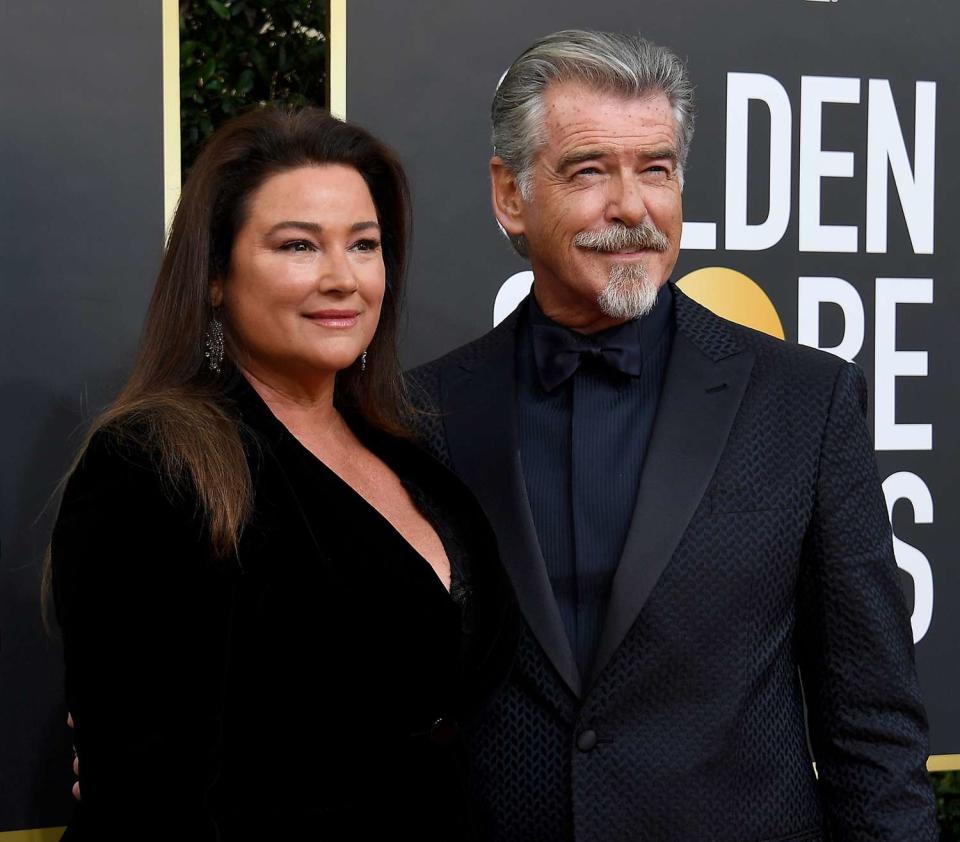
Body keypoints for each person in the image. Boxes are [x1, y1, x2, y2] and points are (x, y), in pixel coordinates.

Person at [407, 30, 938, 841]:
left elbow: (872, 724)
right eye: (589, 170)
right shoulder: (423, 413)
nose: (632, 207)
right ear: (510, 195)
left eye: (655, 169)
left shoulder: (805, 402)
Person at [49, 106, 516, 840]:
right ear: (213, 277)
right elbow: (141, 803)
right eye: (298, 246)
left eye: (364, 245)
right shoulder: (149, 466)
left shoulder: (406, 449)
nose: (343, 278)